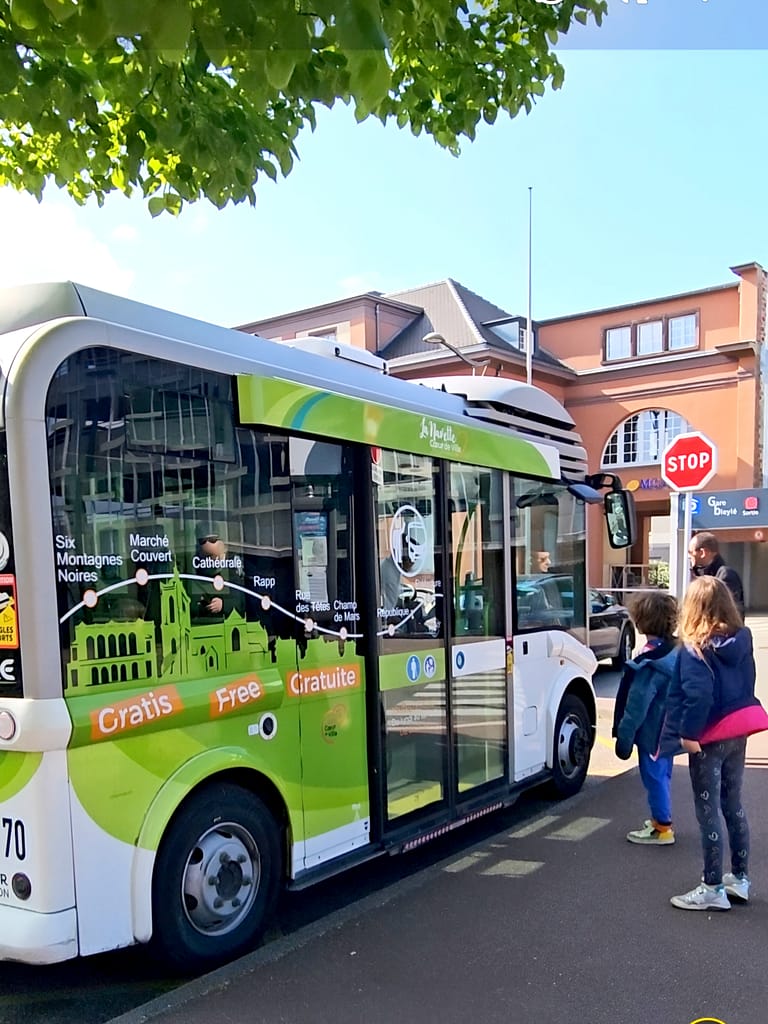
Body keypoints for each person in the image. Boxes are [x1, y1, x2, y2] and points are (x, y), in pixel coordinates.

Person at [658, 576, 755, 911]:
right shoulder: (742, 638)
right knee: (733, 804)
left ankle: (712, 885)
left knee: (707, 810)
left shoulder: (694, 647)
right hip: (736, 732)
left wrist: (688, 734)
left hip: (707, 738)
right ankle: (739, 878)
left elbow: (697, 695)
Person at [613, 590, 679, 845]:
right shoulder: (674, 650)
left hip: (653, 730)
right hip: (670, 726)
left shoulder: (649, 662)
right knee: (664, 773)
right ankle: (660, 819)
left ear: (640, 621)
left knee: (653, 777)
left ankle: (663, 828)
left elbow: (637, 706)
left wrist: (624, 738)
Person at [688, 531, 745, 621]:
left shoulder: (726, 575)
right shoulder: (697, 573)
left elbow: (721, 611)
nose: (689, 556)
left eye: (690, 552)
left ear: (702, 552)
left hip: (722, 632)